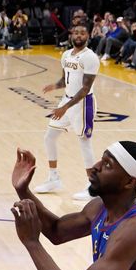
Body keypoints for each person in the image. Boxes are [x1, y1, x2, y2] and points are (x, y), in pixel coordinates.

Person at [33, 24, 99, 201]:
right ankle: (54, 178)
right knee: (49, 137)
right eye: (76, 32)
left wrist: (65, 107)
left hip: (83, 103)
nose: (79, 35)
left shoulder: (90, 57)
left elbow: (85, 89)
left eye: (82, 32)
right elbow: (65, 80)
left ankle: (93, 187)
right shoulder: (66, 55)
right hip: (67, 99)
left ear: (88, 36)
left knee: (84, 143)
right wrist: (55, 86)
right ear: (71, 35)